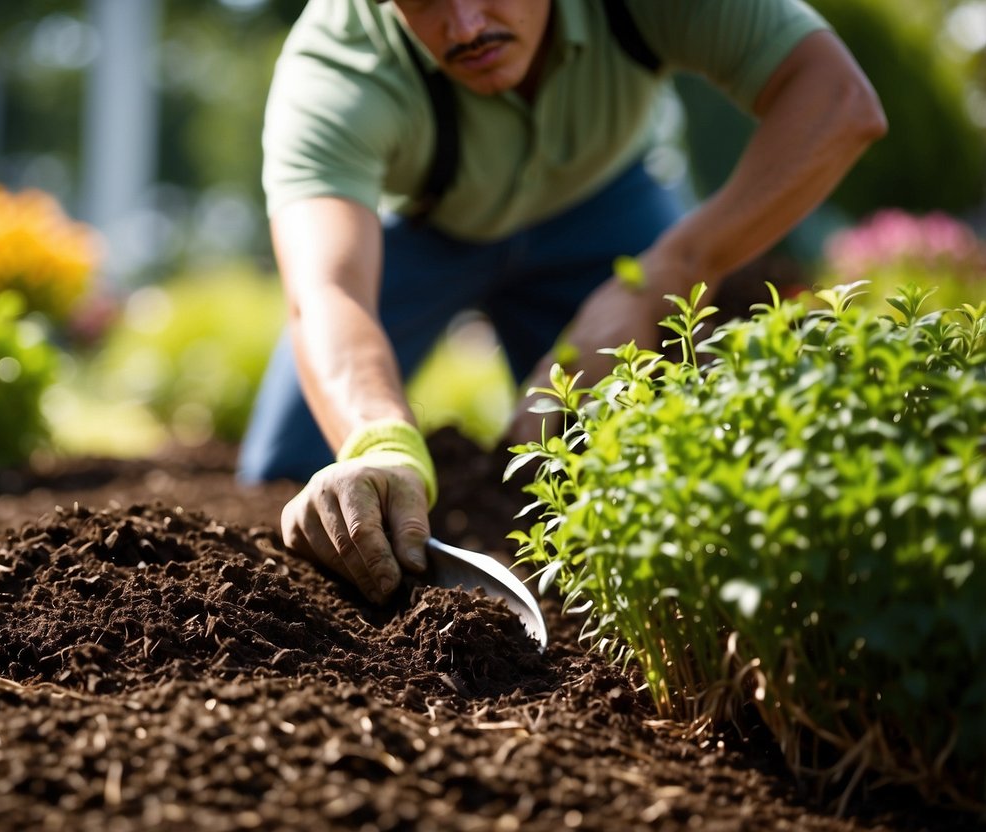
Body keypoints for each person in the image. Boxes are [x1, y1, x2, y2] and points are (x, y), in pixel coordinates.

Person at [237, 0, 886, 603]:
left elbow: (837, 98)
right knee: (290, 472)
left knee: (670, 453)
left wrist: (668, 271)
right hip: (426, 231)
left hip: (607, 207)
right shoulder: (334, 66)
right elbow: (330, 291)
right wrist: (378, 444)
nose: (464, 28)